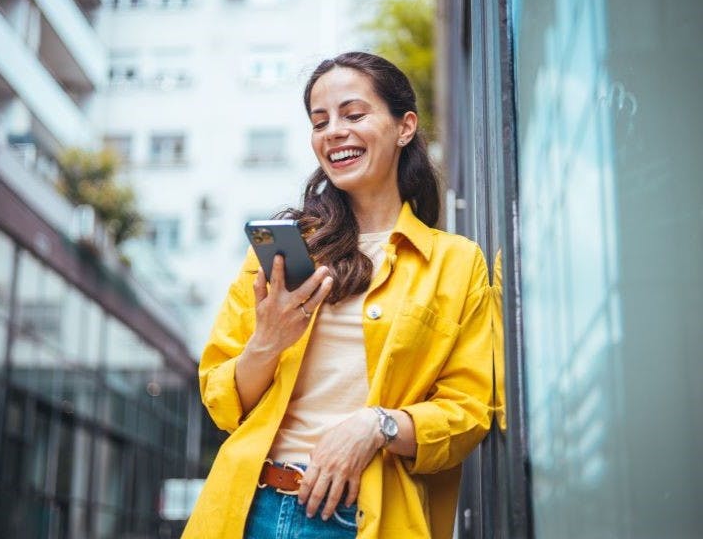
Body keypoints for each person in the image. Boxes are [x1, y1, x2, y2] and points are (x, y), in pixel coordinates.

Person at [182, 52, 493, 539]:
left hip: (360, 518)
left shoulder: (456, 264)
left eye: (354, 115)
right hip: (247, 511)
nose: (333, 132)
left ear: (404, 126)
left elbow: (469, 411)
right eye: (319, 121)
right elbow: (221, 400)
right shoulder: (283, 250)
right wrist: (268, 341)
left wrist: (377, 426)